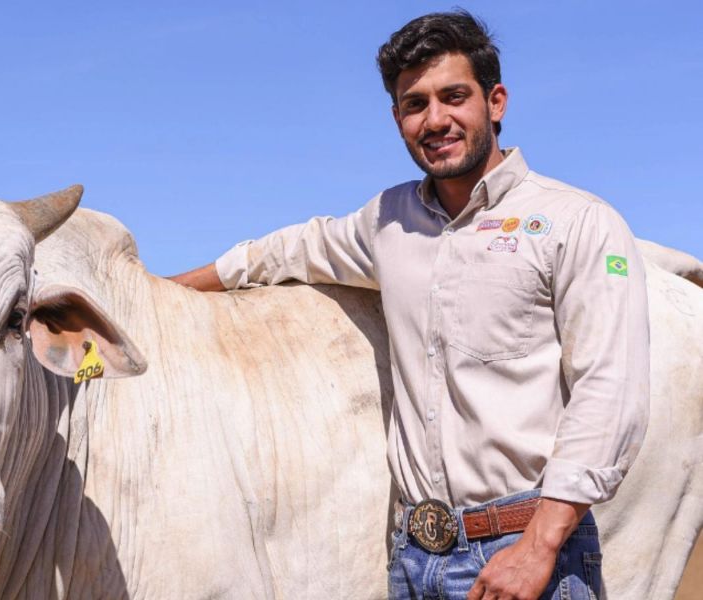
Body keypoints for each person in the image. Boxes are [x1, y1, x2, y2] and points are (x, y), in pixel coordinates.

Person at [168, 11, 649, 600]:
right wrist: (159, 290)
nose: (436, 120)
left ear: (495, 102)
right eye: (414, 103)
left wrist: (540, 545)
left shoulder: (577, 221)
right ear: (397, 118)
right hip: (414, 558)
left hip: (526, 550)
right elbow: (282, 252)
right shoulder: (388, 222)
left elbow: (609, 391)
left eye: (454, 97)